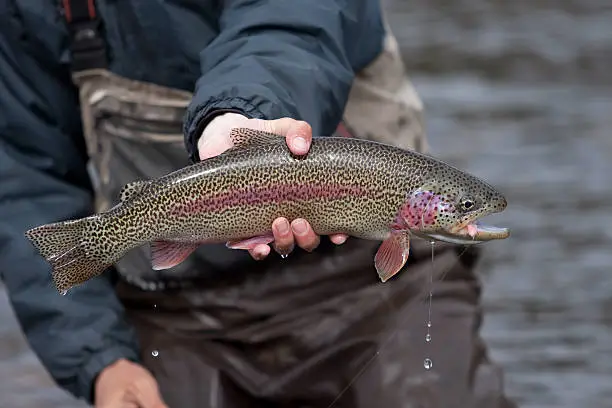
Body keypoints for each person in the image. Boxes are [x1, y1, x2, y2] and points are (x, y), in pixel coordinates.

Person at [0, 0, 517, 407]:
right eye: (464, 204)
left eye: (462, 204)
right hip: (181, 312)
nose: (468, 210)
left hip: (368, 292)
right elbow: (25, 179)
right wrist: (100, 361)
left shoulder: (399, 236)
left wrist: (244, 110)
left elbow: (294, 24)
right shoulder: (28, 10)